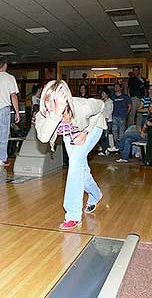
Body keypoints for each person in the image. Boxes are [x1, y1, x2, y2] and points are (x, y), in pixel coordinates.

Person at [35, 80, 106, 230]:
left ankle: (73, 215)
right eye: (48, 101)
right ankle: (95, 194)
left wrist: (86, 132)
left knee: (74, 163)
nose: (50, 106)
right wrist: (55, 113)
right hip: (70, 133)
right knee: (80, 167)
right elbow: (43, 137)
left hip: (92, 128)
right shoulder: (43, 114)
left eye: (55, 101)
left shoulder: (83, 106)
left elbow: (101, 106)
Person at [108, 83, 131, 150]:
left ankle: (121, 148)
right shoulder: (112, 97)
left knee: (121, 133)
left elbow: (130, 106)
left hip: (122, 117)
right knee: (114, 133)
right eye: (115, 87)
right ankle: (117, 147)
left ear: (121, 88)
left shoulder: (125, 96)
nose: (116, 88)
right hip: (114, 116)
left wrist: (126, 114)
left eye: (117, 87)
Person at [98, 88, 113, 156]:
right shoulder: (102, 101)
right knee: (102, 136)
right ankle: (104, 149)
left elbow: (109, 112)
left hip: (107, 121)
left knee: (104, 136)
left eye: (103, 94)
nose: (102, 95)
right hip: (101, 120)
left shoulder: (109, 102)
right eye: (102, 93)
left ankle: (106, 150)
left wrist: (106, 120)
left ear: (107, 95)